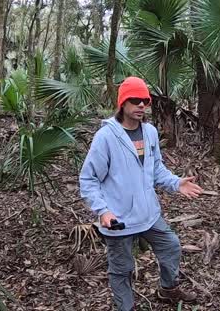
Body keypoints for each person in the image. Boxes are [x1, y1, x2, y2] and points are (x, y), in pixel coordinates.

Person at [79, 76, 203, 310]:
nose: (140, 105)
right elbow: (88, 178)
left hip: (149, 214)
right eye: (134, 100)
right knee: (122, 269)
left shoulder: (150, 132)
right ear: (122, 103)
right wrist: (103, 211)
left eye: (144, 101)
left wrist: (176, 183)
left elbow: (156, 169)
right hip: (119, 218)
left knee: (171, 246)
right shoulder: (106, 137)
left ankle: (167, 289)